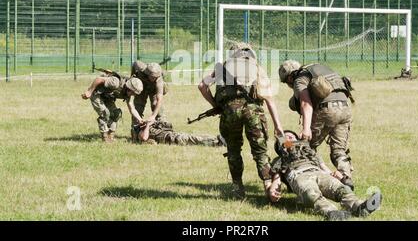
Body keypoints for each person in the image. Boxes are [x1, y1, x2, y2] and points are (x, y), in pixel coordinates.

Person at [198, 42, 284, 199]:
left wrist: (217, 105)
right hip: (254, 113)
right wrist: (278, 126)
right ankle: (267, 186)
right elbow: (269, 98)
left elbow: (202, 86)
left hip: (230, 112)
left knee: (233, 151)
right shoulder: (257, 67)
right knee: (260, 152)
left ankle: (238, 188)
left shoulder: (222, 67)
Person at [267, 131, 382, 221]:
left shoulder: (311, 154)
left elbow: (324, 168)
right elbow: (276, 178)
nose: (289, 138)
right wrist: (273, 189)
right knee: (310, 194)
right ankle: (331, 212)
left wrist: (336, 176)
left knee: (340, 189)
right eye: (286, 137)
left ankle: (360, 207)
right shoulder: (280, 159)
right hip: (299, 176)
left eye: (292, 136)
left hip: (319, 172)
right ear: (280, 146)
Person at [279, 60, 355, 190]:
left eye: (287, 83)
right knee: (339, 150)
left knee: (305, 148)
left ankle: (309, 180)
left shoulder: (299, 79)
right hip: (345, 108)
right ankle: (345, 179)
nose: (289, 86)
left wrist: (306, 128)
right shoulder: (320, 68)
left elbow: (305, 104)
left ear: (290, 77)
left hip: (326, 110)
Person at [81, 73, 144, 142]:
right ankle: (105, 137)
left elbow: (132, 109)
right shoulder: (115, 82)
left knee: (116, 114)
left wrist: (140, 119)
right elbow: (99, 79)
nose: (133, 95)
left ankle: (111, 135)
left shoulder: (128, 94)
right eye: (133, 93)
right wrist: (89, 91)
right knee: (105, 113)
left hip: (107, 96)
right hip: (96, 93)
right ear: (128, 88)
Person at [130, 61, 168, 141]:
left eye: (155, 77)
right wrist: (132, 78)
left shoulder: (159, 81)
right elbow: (135, 63)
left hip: (154, 89)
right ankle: (135, 131)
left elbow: (159, 99)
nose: (153, 78)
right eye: (152, 76)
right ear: (147, 73)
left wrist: (153, 116)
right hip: (141, 87)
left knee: (156, 107)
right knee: (138, 107)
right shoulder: (141, 68)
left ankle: (162, 129)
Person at [133, 120, 226, 147]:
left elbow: (169, 125)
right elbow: (144, 138)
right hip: (172, 139)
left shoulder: (149, 128)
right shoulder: (142, 133)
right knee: (194, 139)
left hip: (173, 135)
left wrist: (156, 122)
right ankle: (217, 143)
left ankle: (217, 139)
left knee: (195, 137)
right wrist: (148, 125)